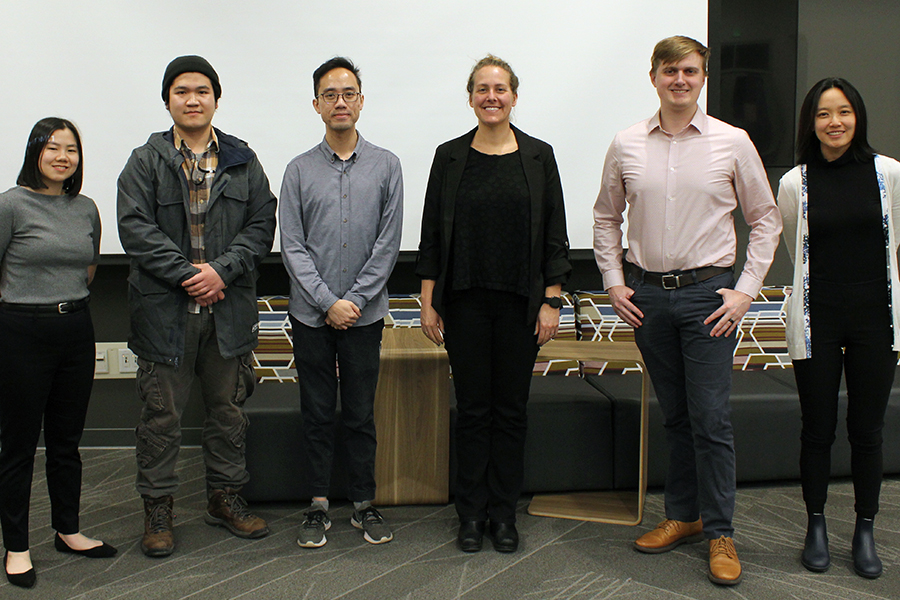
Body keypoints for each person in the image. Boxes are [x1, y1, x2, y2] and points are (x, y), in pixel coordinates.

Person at [593, 36, 782, 586]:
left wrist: (746, 290)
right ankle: (684, 516)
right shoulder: (626, 143)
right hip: (647, 297)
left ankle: (721, 530)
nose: (680, 80)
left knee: (711, 418)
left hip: (709, 297)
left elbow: (765, 219)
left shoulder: (732, 141)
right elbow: (606, 217)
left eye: (690, 71)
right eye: (670, 70)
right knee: (675, 415)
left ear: (703, 78)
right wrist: (613, 281)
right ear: (653, 76)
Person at [117, 56, 277, 557]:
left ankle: (224, 498)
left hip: (228, 310)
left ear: (216, 99)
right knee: (161, 416)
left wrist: (221, 271)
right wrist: (191, 275)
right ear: (167, 100)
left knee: (228, 411)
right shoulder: (145, 161)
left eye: (202, 91)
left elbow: (262, 224)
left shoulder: (242, 160)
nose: (192, 99)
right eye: (182, 91)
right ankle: (158, 508)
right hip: (165, 313)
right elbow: (134, 229)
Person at [417, 55, 571, 554]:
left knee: (510, 411)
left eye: (500, 88)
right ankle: (470, 514)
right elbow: (431, 235)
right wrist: (428, 301)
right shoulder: (449, 157)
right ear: (470, 98)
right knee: (472, 411)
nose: (491, 96)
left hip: (521, 306)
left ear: (514, 97)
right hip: (463, 304)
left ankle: (503, 515)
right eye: (482, 88)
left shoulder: (539, 156)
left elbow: (555, 235)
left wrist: (552, 301)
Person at [777, 78, 900, 579]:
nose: (835, 122)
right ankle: (816, 525)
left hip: (876, 319)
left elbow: (894, 243)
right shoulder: (795, 182)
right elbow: (795, 250)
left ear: (858, 116)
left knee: (868, 431)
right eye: (824, 114)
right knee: (817, 429)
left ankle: (865, 529)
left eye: (844, 111)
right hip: (817, 318)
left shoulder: (889, 172)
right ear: (811, 123)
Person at [280, 57, 402, 549]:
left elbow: (388, 245)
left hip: (364, 316)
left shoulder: (387, 165)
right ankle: (317, 505)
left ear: (361, 101)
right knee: (315, 412)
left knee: (359, 413)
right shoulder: (297, 170)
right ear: (316, 105)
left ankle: (363, 503)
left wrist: (353, 301)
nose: (340, 102)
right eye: (329, 95)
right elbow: (292, 246)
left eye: (348, 93)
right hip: (311, 316)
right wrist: (328, 302)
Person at [0, 118, 117, 589]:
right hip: (21, 330)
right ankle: (16, 547)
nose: (63, 157)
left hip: (75, 328)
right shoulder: (11, 204)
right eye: (52, 148)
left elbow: (88, 269)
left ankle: (68, 530)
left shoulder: (85, 207)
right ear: (35, 153)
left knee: (66, 442)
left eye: (71, 149)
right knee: (19, 445)